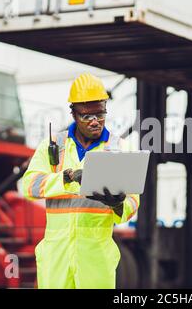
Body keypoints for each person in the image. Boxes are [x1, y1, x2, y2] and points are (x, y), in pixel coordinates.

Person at [22, 73, 139, 289]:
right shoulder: (54, 146)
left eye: (100, 114)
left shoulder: (120, 149)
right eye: (87, 116)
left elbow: (132, 204)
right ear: (74, 114)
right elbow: (28, 186)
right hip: (56, 258)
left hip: (96, 259)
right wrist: (66, 179)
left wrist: (117, 204)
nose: (95, 121)